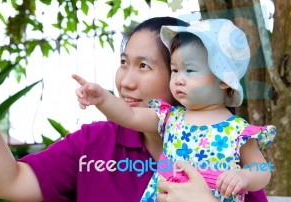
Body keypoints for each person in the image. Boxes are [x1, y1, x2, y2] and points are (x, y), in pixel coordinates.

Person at [0, 17, 270, 202]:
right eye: (124, 63)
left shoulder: (229, 152)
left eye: (144, 66)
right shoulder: (94, 145)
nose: (125, 81)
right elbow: (8, 183)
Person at [73, 19, 276, 202]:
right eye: (175, 70)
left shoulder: (238, 131)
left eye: (190, 70)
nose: (178, 79)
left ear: (223, 80)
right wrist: (102, 99)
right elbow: (130, 115)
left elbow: (261, 170)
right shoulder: (170, 117)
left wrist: (244, 176)